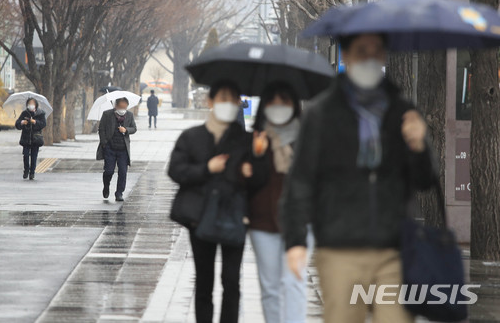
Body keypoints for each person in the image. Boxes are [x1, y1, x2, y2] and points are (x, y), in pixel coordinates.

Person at [283, 33, 438, 323]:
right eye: (361, 50)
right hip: (340, 247)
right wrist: (295, 241)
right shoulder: (322, 113)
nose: (369, 57)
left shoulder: (401, 110)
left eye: (376, 51)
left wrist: (419, 146)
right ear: (347, 57)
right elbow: (301, 180)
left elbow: (425, 179)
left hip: (395, 248)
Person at [168, 81, 252, 323]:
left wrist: (252, 171)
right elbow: (176, 170)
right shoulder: (192, 137)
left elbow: (261, 178)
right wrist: (207, 168)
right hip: (200, 217)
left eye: (232, 99)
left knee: (232, 281)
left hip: (235, 216)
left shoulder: (247, 141)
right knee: (204, 281)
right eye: (222, 98)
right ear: (210, 102)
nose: (227, 104)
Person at [248, 82, 308, 323]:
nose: (279, 107)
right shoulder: (255, 138)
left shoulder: (307, 138)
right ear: (264, 106)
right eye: (273, 102)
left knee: (293, 282)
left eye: (284, 102)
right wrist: (257, 154)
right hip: (263, 222)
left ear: (294, 106)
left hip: (302, 221)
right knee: (270, 287)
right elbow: (247, 181)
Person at [96, 98, 137, 202]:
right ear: (116, 106)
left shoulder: (129, 115)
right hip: (110, 148)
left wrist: (126, 130)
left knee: (123, 172)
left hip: (123, 150)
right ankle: (106, 186)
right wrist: (104, 143)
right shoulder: (107, 114)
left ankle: (119, 193)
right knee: (109, 171)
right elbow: (101, 129)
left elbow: (134, 128)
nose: (123, 109)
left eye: (125, 107)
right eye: (121, 107)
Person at [15, 97, 46, 180]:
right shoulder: (24, 113)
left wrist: (34, 122)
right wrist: (22, 123)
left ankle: (32, 172)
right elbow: (17, 124)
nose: (31, 105)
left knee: (34, 156)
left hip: (36, 138)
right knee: (25, 155)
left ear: (35, 104)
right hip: (26, 138)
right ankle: (26, 170)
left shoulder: (40, 113)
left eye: (32, 103)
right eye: (29, 103)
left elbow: (43, 124)